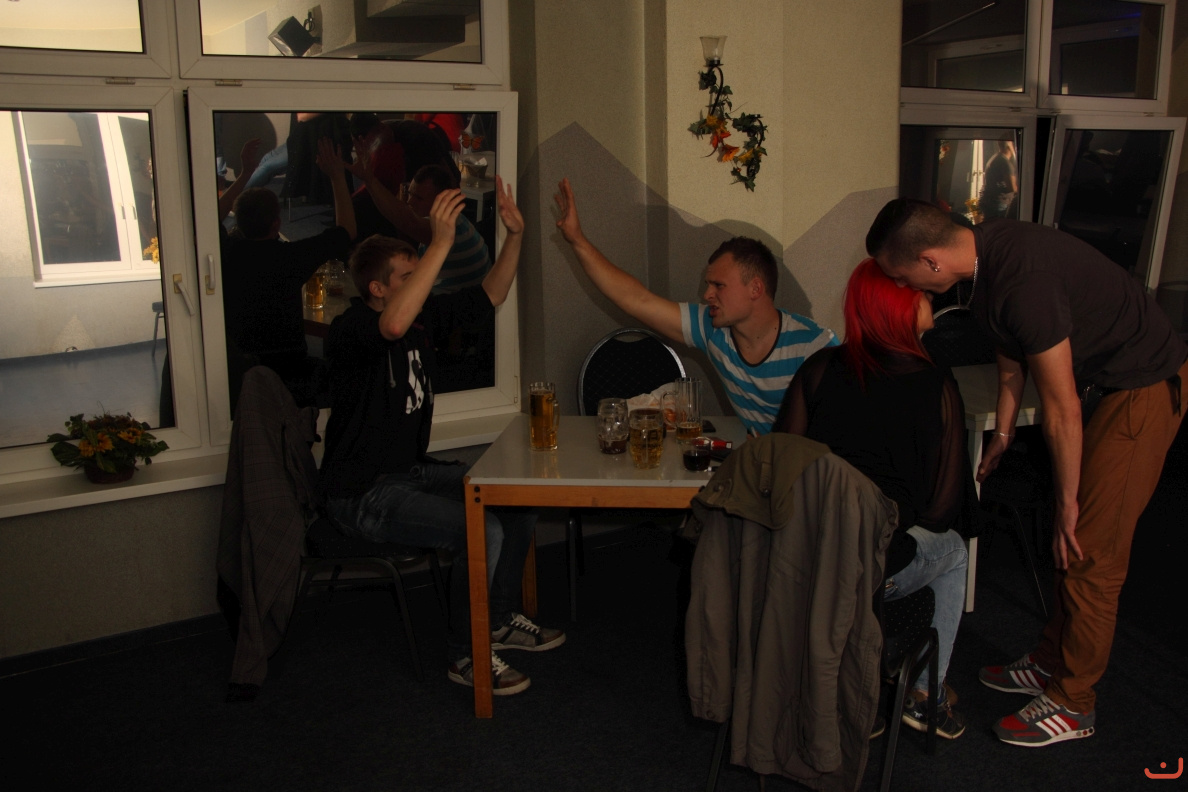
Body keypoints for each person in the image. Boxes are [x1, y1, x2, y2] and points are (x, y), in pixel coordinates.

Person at [865, 198, 1188, 747]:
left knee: (1088, 551)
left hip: (1141, 389)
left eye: (903, 276)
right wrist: (1005, 432)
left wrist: (1067, 504)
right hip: (1106, 387)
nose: (904, 287)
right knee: (1071, 545)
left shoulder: (1023, 281)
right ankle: (1051, 659)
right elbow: (1010, 351)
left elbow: (1061, 409)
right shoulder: (983, 256)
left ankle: (1074, 703)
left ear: (931, 261)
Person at [319, 179, 563, 695]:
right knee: (481, 530)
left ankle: (499, 619)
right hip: (359, 492)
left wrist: (515, 236)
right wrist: (441, 242)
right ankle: (466, 654)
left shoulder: (422, 317)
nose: (424, 282)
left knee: (516, 500)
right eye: (409, 276)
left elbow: (491, 294)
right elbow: (391, 327)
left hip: (409, 473)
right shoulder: (352, 329)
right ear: (378, 288)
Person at [773, 257, 974, 739]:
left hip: (807, 559)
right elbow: (944, 511)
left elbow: (781, 466)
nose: (930, 299)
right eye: (923, 292)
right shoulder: (935, 382)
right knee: (955, 552)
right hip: (875, 566)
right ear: (900, 304)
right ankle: (925, 694)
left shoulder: (818, 369)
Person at [553, 178, 837, 435]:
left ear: (755, 289)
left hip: (811, 471)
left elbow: (843, 435)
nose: (707, 295)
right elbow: (636, 299)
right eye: (707, 284)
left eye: (719, 285)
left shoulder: (815, 347)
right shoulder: (711, 329)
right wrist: (577, 240)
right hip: (762, 464)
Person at [219, 137, 356, 408]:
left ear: (239, 220)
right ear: (276, 224)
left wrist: (246, 174)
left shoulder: (226, 253)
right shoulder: (292, 257)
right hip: (291, 371)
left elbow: (210, 218)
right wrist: (337, 177)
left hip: (239, 372)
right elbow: (347, 231)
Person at [978, 139, 1018, 220]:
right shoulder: (1005, 163)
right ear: (1009, 146)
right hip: (998, 203)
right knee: (998, 226)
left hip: (990, 201)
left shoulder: (995, 158)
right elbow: (1012, 188)